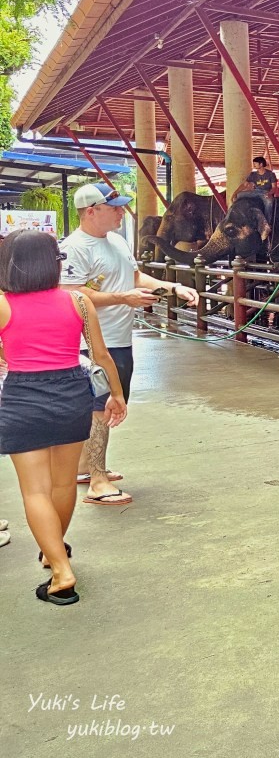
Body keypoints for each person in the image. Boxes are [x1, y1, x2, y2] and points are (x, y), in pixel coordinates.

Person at [0, 229, 127, 605]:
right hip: (72, 393)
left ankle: (60, 569)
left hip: (23, 397)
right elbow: (102, 357)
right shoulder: (79, 301)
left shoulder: (3, 304)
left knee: (35, 489)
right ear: (54, 263)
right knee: (63, 484)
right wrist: (116, 395)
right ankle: (52, 549)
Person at [61, 183, 199, 506]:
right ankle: (97, 478)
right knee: (100, 408)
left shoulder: (118, 242)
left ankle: (86, 468)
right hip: (91, 345)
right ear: (91, 211)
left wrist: (171, 286)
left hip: (121, 339)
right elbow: (73, 294)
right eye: (114, 208)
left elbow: (135, 278)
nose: (121, 212)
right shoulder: (75, 247)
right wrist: (123, 298)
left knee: (104, 407)